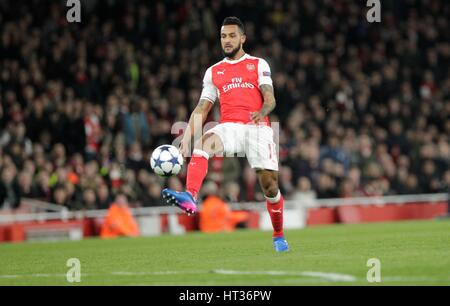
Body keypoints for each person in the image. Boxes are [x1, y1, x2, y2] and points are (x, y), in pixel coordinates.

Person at [162, 17, 288, 252]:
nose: (227, 40)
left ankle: (279, 235)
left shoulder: (258, 64)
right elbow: (202, 109)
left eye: (231, 36)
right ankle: (190, 196)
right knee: (202, 144)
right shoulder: (213, 72)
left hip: (258, 127)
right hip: (229, 126)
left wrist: (262, 111)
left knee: (270, 187)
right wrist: (185, 139)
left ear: (242, 38)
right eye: (223, 36)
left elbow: (270, 98)